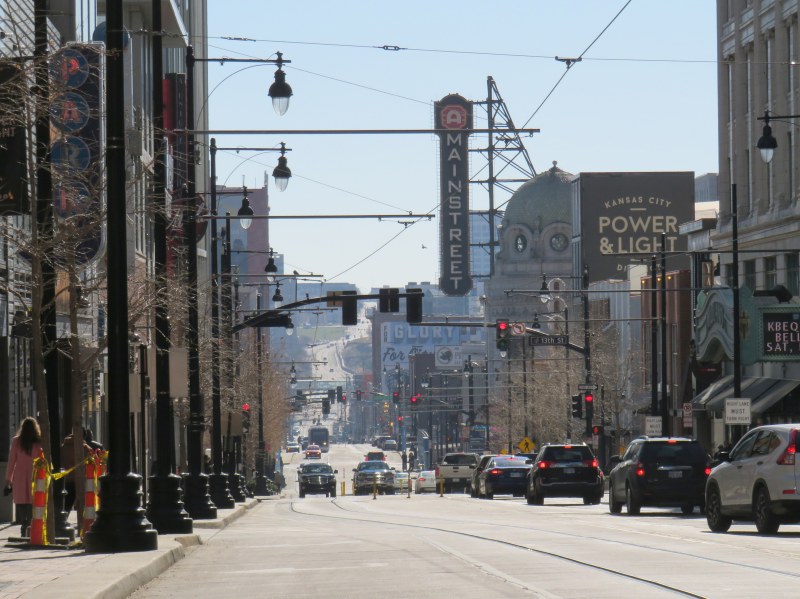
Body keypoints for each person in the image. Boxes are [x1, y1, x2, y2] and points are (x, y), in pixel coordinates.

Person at [5, 417, 43, 537]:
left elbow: (11, 462)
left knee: (22, 501)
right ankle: (30, 524)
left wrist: (8, 480)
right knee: (33, 500)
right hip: (35, 475)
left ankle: (24, 524)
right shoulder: (38, 442)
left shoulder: (16, 441)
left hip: (19, 475)